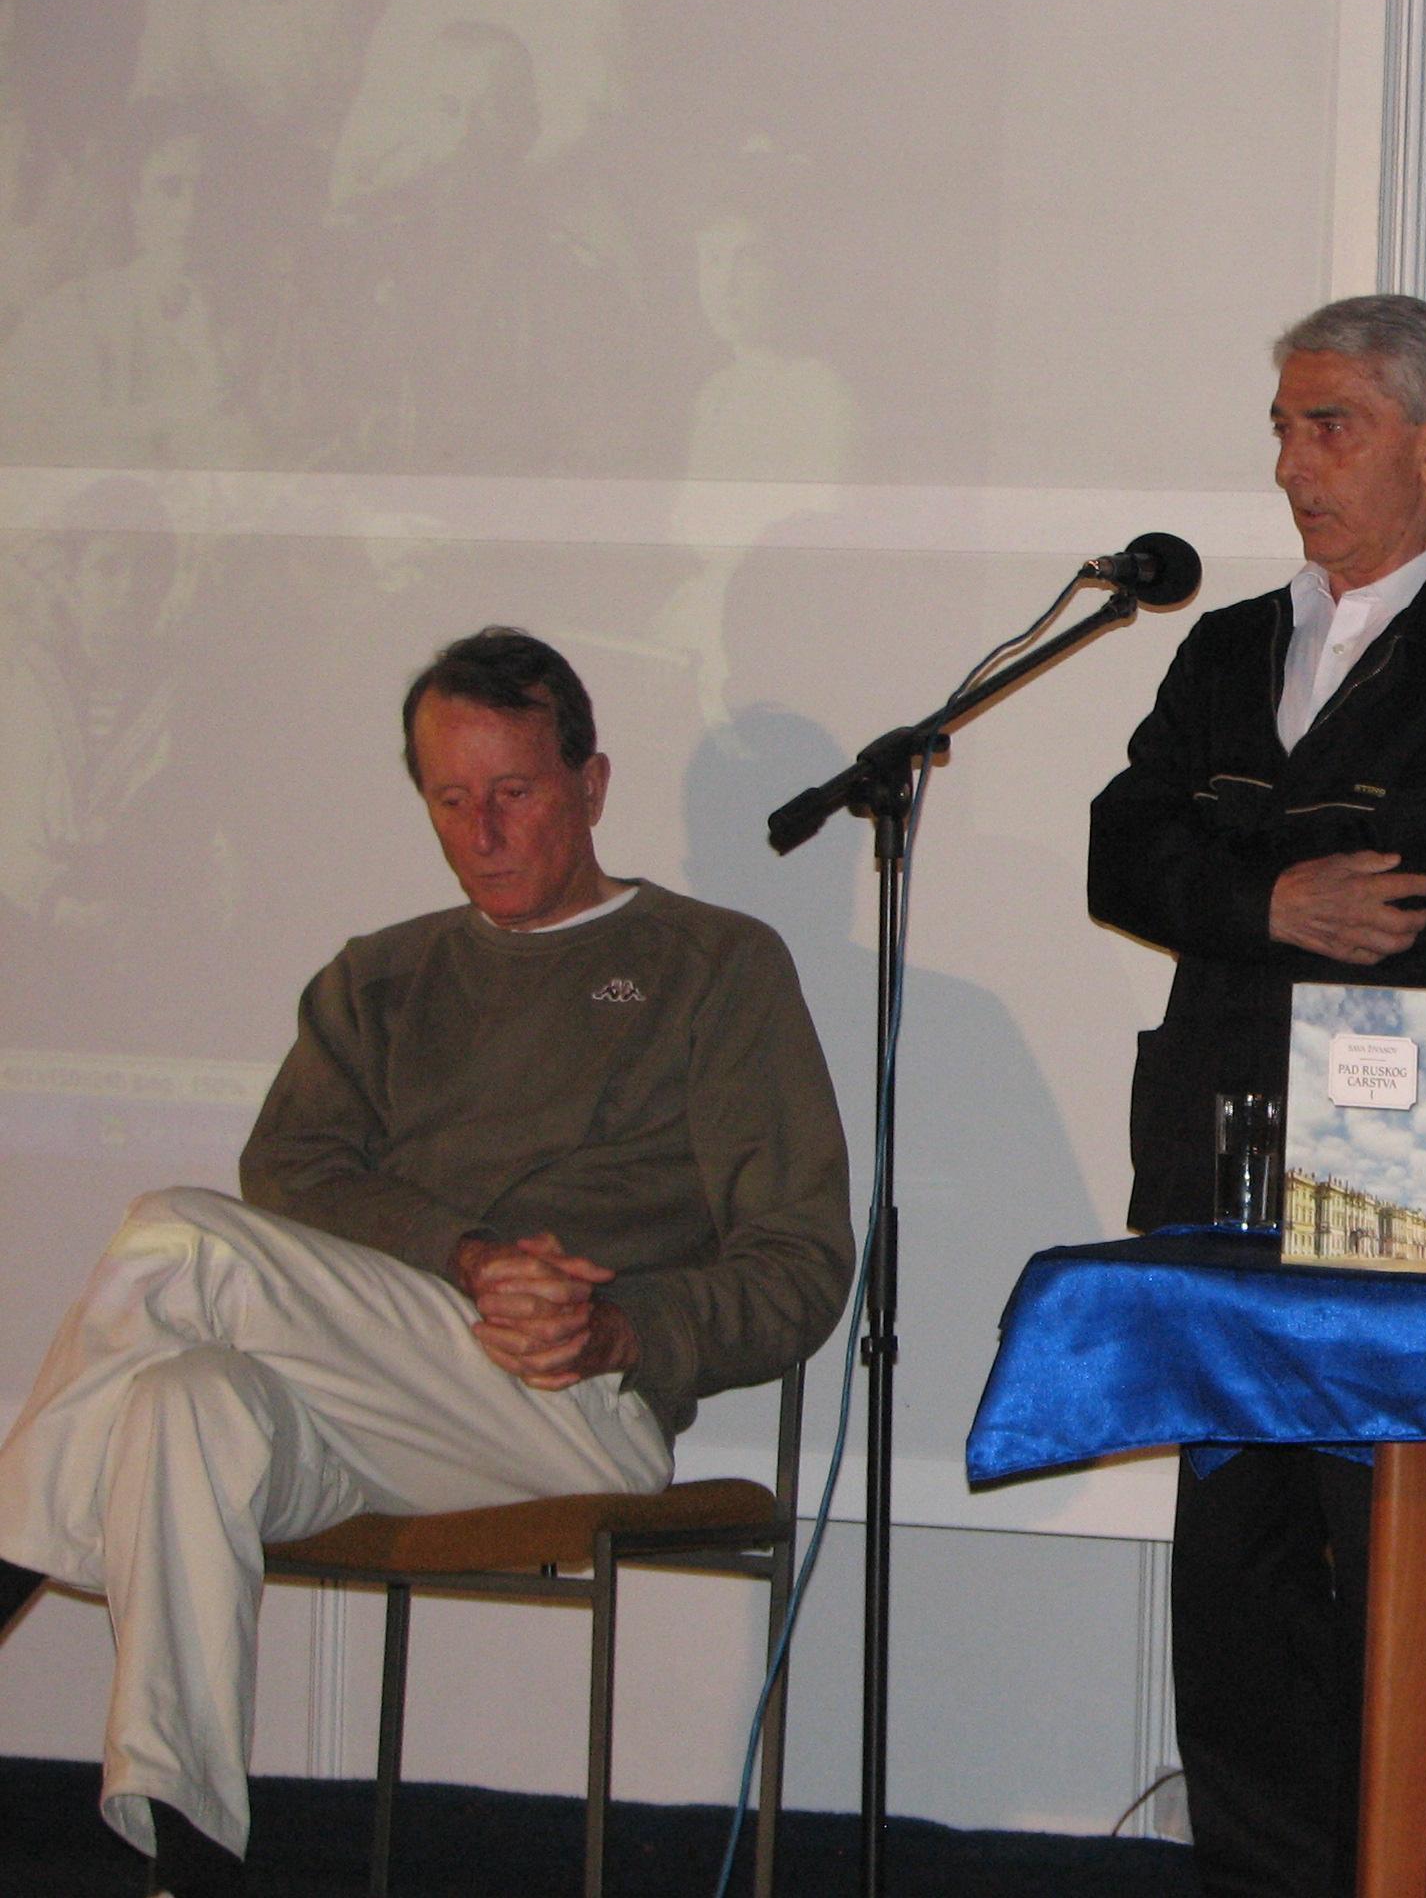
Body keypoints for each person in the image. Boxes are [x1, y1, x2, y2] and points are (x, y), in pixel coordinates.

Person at [0, 627, 855, 1896]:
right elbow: (291, 1175)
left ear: (592, 784)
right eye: (450, 801)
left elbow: (801, 1265)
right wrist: (466, 1258)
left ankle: (12, 1544)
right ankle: (192, 1856)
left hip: (572, 1402)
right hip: (380, 1408)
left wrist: (617, 1328)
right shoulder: (381, 977)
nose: (482, 833)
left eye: (513, 792)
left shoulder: (714, 966)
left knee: (176, 1237)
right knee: (184, 1405)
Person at [1088, 294, 1426, 1895]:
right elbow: (1120, 851)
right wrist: (1271, 893)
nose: (1292, 464)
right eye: (1286, 428)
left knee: (1385, 1551)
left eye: (1330, 427)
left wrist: (1230, 869)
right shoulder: (1228, 645)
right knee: (1234, 1554)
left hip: (1401, 1127)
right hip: (1219, 1125)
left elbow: (1405, 880)